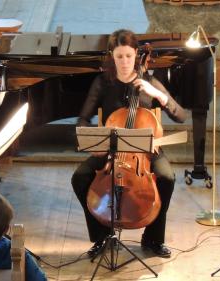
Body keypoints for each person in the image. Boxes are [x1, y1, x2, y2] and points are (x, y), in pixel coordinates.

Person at [71, 29, 187, 258]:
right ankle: (101, 235)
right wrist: (94, 139)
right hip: (111, 151)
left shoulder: (150, 81)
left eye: (128, 56)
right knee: (80, 177)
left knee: (167, 178)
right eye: (119, 57)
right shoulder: (102, 83)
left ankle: (153, 238)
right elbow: (83, 118)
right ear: (112, 57)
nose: (124, 62)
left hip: (146, 152)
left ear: (136, 54)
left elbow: (181, 115)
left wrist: (159, 95)